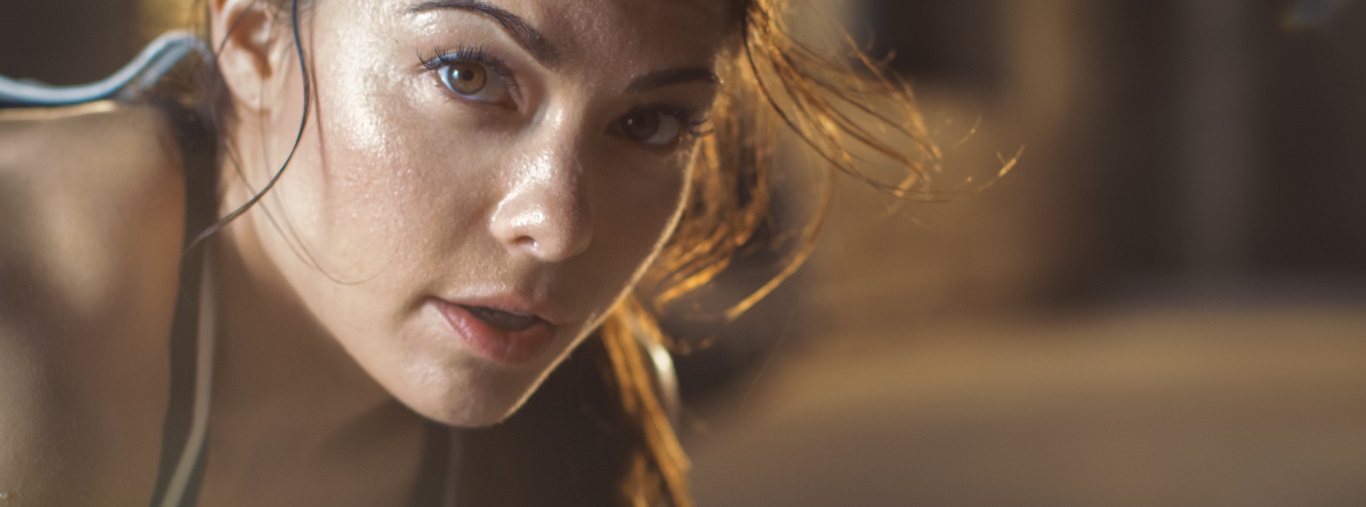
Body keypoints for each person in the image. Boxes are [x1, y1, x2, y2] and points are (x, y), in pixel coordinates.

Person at [0, 0, 934, 505]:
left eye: (648, 122)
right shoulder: (27, 311)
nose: (560, 227)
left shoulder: (585, 422)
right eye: (470, 73)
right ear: (254, 41)